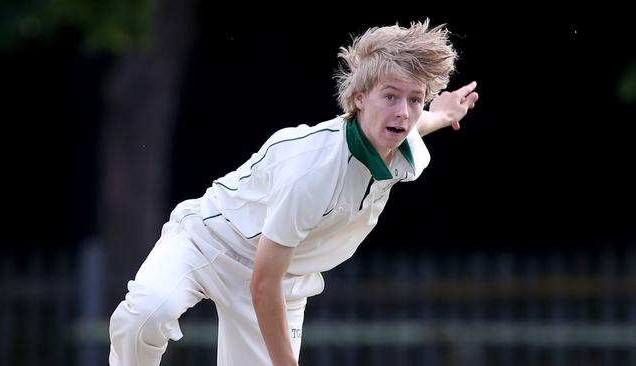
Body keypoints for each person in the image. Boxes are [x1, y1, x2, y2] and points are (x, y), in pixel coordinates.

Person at [109, 19, 479, 366]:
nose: (403, 112)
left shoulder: (406, 151)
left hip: (283, 278)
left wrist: (442, 114)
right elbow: (262, 282)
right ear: (360, 97)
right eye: (390, 96)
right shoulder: (314, 170)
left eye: (415, 99)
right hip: (209, 240)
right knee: (148, 312)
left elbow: (417, 126)